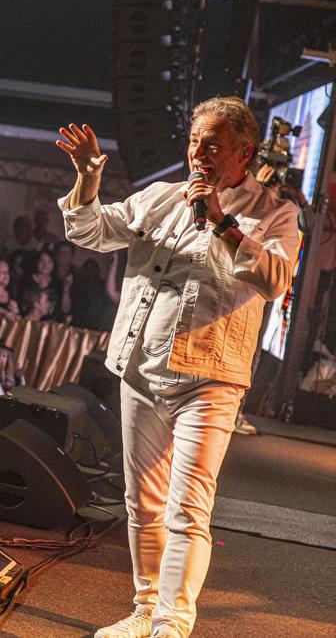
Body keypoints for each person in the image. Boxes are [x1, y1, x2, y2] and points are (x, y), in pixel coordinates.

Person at [56, 97, 300, 638]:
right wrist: (89, 177)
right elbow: (90, 231)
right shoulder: (163, 198)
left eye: (212, 144)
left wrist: (221, 222)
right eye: (194, 141)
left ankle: (173, 623)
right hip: (141, 368)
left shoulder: (275, 213)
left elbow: (277, 280)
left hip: (209, 378)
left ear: (245, 152)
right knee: (140, 502)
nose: (199, 152)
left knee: (187, 507)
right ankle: (145, 610)